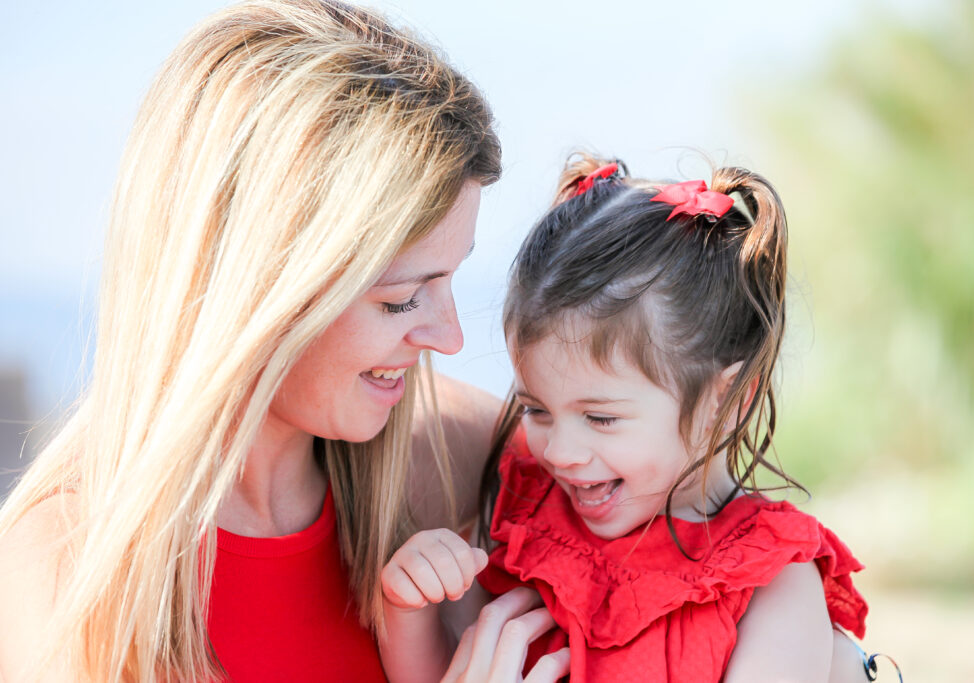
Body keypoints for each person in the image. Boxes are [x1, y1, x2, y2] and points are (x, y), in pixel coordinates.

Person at [0, 2, 566, 681]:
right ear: (259, 289)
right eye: (399, 299)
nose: (448, 337)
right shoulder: (67, 567)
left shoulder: (452, 450)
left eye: (451, 278)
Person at [380, 155, 881, 682]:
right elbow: (457, 672)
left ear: (726, 402)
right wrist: (410, 611)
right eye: (536, 409)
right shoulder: (528, 521)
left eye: (600, 418)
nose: (558, 452)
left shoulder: (771, 581)